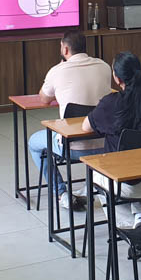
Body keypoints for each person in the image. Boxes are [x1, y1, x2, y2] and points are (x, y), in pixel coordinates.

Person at [81, 51, 141, 228]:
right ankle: (140, 215)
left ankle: (127, 226)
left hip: (125, 185)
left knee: (95, 170)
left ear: (117, 78)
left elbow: (86, 127)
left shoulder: (111, 103)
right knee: (139, 157)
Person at [29, 31, 111, 210]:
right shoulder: (104, 66)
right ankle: (94, 185)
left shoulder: (57, 71)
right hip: (105, 143)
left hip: (71, 147)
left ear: (65, 49)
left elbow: (44, 99)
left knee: (34, 143)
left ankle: (61, 193)